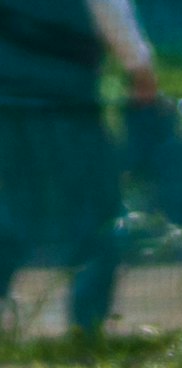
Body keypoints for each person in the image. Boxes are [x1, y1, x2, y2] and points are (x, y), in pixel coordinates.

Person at [0, 0, 154, 336]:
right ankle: (85, 328)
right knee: (99, 214)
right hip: (67, 103)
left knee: (14, 211)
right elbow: (108, 8)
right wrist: (139, 66)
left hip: (9, 102)